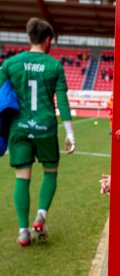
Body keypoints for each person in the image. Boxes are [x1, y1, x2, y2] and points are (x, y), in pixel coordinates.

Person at [0, 17, 75, 246]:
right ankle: (40, 216)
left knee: (22, 177)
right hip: (45, 128)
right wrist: (70, 134)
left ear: (29, 37)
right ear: (48, 40)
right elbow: (62, 100)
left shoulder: (9, 64)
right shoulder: (54, 65)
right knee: (50, 171)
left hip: (19, 128)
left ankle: (23, 231)